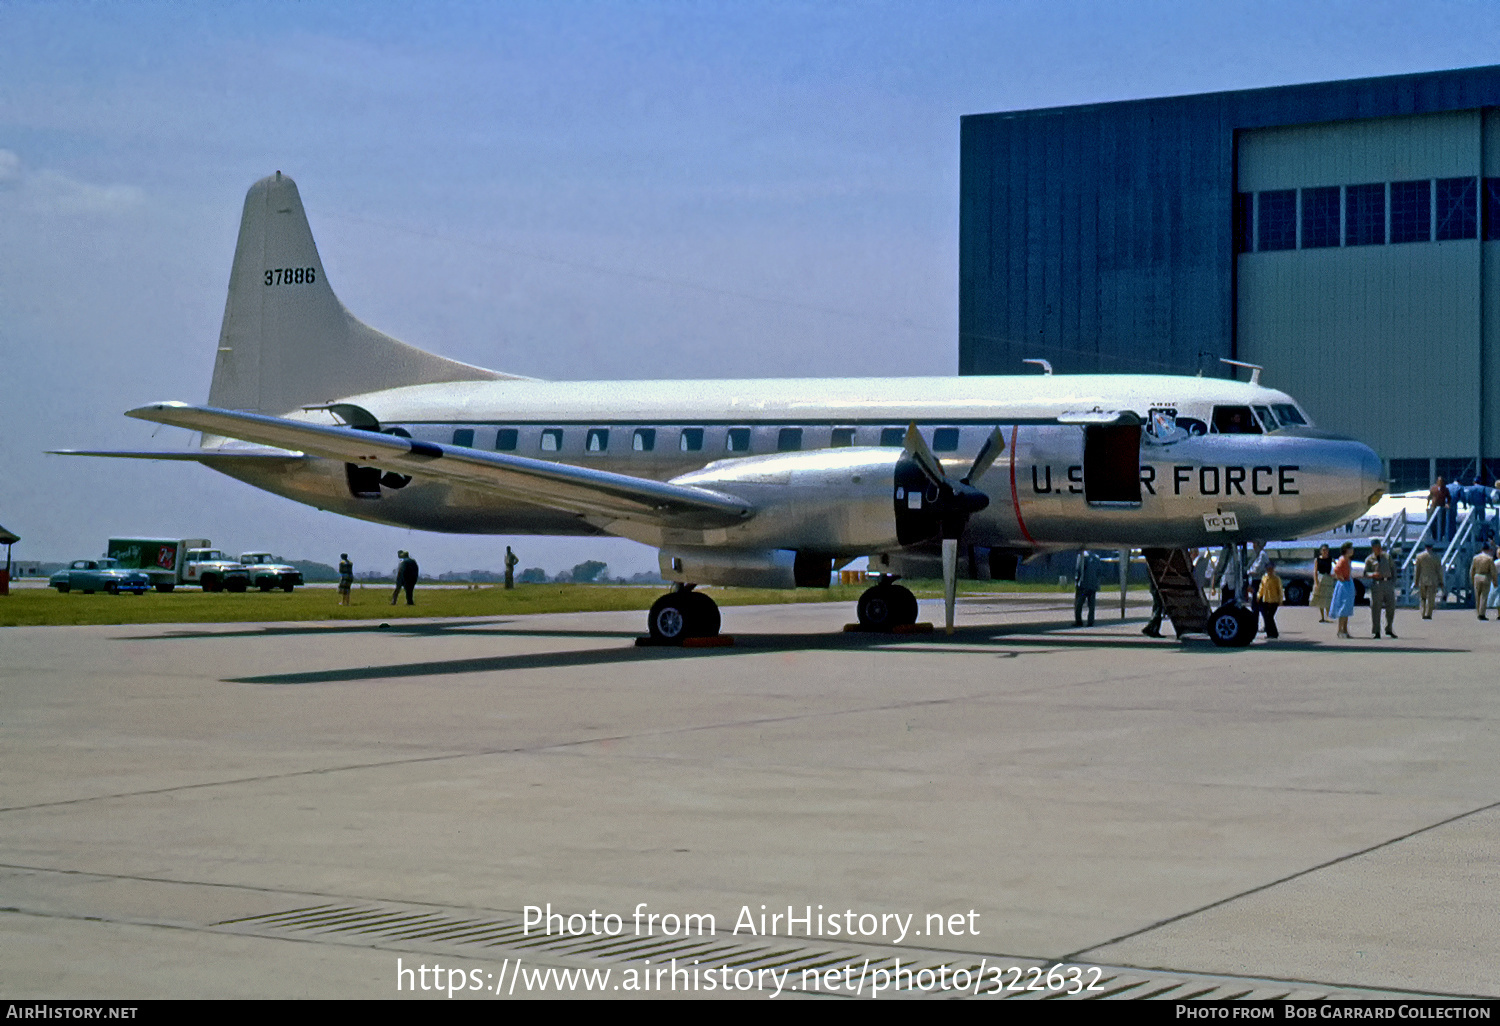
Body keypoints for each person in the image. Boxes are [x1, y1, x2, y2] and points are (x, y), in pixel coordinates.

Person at [1363, 538, 1397, 639]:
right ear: (1373, 548)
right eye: (1376, 547)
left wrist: (1393, 582)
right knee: (1376, 609)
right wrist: (1373, 574)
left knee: (1391, 607)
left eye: (1379, 546)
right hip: (1377, 584)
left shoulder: (1387, 557)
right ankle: (1376, 631)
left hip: (1388, 583)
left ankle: (1389, 628)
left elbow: (1393, 569)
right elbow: (1365, 573)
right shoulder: (1369, 559)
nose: (1378, 548)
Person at [1330, 542, 1356, 639]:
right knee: (1343, 608)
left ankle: (1345, 630)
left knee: (1347, 609)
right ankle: (1340, 630)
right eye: (1350, 548)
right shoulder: (1343, 559)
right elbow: (1337, 569)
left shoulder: (1347, 560)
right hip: (1344, 584)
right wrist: (1340, 577)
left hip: (1348, 583)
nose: (1352, 550)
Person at [1413, 542, 1442, 619]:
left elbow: (1417, 570)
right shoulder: (1436, 557)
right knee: (1431, 598)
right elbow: (1439, 570)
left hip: (1422, 579)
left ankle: (1423, 612)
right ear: (1432, 547)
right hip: (1433, 579)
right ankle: (1428, 614)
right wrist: (1441, 581)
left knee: (1422, 597)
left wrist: (1416, 581)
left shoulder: (1419, 556)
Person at [1074, 549, 1101, 627]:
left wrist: (1077, 581)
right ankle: (1090, 621)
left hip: (1083, 585)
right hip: (1093, 585)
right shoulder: (1097, 557)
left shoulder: (1082, 556)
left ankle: (1079, 621)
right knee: (1091, 605)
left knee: (1079, 604)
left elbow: (1078, 569)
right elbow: (1099, 572)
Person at [1470, 543, 1497, 621]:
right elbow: (1493, 571)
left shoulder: (1475, 558)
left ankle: (1478, 612)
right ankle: (1482, 614)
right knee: (1484, 596)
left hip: (1477, 576)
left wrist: (1472, 579)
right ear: (1488, 550)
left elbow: (1472, 570)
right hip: (1485, 577)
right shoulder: (1489, 559)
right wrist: (1494, 581)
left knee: (1477, 596)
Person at [1257, 561, 1283, 639]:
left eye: (1271, 569)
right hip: (1266, 600)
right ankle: (1269, 633)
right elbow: (1261, 588)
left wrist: (1280, 600)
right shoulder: (1264, 578)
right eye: (1268, 569)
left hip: (1274, 600)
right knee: (1266, 617)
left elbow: (1280, 589)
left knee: (1270, 617)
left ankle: (1274, 633)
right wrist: (1259, 596)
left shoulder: (1276, 578)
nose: (1270, 570)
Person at [1312, 543, 1335, 623]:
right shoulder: (1317, 559)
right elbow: (1315, 571)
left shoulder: (1331, 559)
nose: (1325, 552)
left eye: (1326, 550)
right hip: (1321, 577)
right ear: (1321, 551)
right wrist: (1316, 582)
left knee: (1328, 598)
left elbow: (1337, 566)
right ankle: (1322, 617)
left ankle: (1328, 616)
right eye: (1323, 550)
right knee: (1320, 598)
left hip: (1328, 578)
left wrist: (1335, 575)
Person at [1429, 476, 1449, 543]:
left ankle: (1440, 536)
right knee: (1432, 523)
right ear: (1437, 481)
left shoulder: (1445, 489)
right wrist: (1427, 506)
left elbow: (1449, 497)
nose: (1440, 482)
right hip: (1434, 507)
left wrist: (1448, 504)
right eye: (1439, 481)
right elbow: (1429, 497)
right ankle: (1434, 536)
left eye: (1441, 481)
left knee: (1442, 523)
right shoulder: (1433, 488)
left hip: (1441, 508)